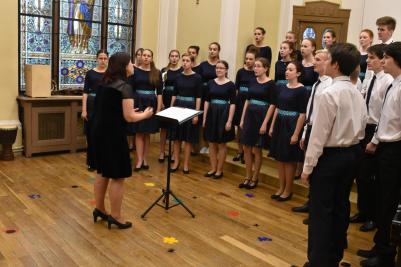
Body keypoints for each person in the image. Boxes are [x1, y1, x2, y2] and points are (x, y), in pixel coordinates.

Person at [301, 43, 367, 267]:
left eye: (328, 59)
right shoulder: (356, 92)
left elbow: (318, 136)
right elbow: (362, 125)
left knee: (321, 212)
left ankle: (318, 262)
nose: (325, 63)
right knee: (340, 208)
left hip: (330, 158)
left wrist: (308, 167)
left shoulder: (329, 94)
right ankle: (333, 258)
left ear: (336, 65)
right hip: (352, 154)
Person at [92, 52, 153, 229]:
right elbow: (130, 117)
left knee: (102, 172)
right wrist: (146, 114)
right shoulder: (125, 87)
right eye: (131, 63)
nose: (133, 65)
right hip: (113, 135)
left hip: (100, 133)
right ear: (124, 66)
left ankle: (100, 209)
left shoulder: (104, 83)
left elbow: (110, 109)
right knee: (118, 177)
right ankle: (116, 216)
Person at [359, 42, 401, 267]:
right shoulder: (395, 84)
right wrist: (375, 141)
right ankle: (379, 245)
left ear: (396, 60)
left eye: (386, 58)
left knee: (388, 201)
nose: (383, 62)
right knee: (382, 197)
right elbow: (386, 118)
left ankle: (385, 254)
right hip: (384, 145)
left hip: (394, 150)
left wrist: (382, 142)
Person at [350, 44, 393, 233]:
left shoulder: (387, 81)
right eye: (367, 57)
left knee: (372, 177)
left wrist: (375, 139)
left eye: (372, 57)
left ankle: (373, 216)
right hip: (364, 127)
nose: (367, 61)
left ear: (382, 60)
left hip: (377, 130)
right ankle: (363, 210)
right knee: (361, 175)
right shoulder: (370, 79)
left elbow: (385, 113)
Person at [292, 49, 332, 216]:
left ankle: (316, 209)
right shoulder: (317, 83)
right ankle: (310, 202)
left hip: (320, 131)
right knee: (312, 174)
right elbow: (311, 111)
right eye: (314, 59)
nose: (314, 62)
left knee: (317, 171)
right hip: (310, 129)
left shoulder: (329, 85)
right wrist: (304, 133)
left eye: (318, 59)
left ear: (327, 63)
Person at [269, 61, 308, 201]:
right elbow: (277, 108)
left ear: (298, 73)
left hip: (291, 124)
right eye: (286, 69)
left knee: (289, 160)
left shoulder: (302, 90)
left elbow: (303, 114)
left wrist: (296, 134)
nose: (287, 72)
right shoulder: (281, 87)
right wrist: (272, 126)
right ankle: (281, 187)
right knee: (279, 159)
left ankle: (288, 190)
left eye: (290, 69)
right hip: (280, 122)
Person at [238, 57, 276, 189]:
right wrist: (242, 119)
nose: (255, 68)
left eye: (259, 66)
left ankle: (255, 177)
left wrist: (265, 123)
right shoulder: (252, 81)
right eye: (255, 66)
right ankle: (247, 176)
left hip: (261, 117)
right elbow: (247, 101)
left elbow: (272, 105)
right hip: (249, 116)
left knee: (257, 149)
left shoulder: (271, 84)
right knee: (246, 148)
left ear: (266, 68)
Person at [128, 49, 162, 171]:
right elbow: (130, 90)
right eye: (144, 55)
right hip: (138, 102)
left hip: (150, 103)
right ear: (141, 57)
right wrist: (130, 106)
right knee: (139, 132)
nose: (146, 57)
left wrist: (158, 109)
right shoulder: (135, 71)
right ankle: (139, 160)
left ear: (152, 58)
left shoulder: (156, 73)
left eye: (149, 55)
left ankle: (145, 159)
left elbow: (159, 93)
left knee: (147, 133)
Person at [170, 53, 202, 173]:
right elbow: (174, 94)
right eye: (183, 60)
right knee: (177, 138)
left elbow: (199, 97)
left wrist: (196, 114)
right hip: (178, 106)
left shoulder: (197, 78)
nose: (184, 62)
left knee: (188, 139)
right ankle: (176, 162)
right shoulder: (178, 77)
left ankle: (186, 164)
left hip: (190, 107)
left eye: (187, 60)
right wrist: (171, 109)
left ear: (192, 63)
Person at [203, 60, 236, 179]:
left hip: (223, 114)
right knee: (211, 143)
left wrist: (230, 120)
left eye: (221, 68)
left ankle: (219, 170)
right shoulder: (210, 83)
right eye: (217, 68)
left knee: (222, 144)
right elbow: (207, 101)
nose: (219, 70)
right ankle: (213, 167)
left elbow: (233, 104)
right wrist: (205, 117)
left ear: (226, 70)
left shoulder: (231, 85)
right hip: (212, 113)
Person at [82, 49, 108, 171]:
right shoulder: (90, 73)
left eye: (105, 58)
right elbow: (85, 93)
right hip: (92, 105)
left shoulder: (110, 74)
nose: (103, 61)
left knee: (103, 134)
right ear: (96, 59)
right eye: (100, 58)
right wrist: (84, 110)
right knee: (91, 134)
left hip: (105, 105)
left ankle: (102, 160)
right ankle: (91, 161)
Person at [232, 49, 257, 163]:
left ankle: (248, 153)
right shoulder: (240, 72)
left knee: (248, 128)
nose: (248, 61)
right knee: (239, 127)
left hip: (251, 103)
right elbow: (236, 88)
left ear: (255, 60)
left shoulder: (257, 72)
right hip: (240, 101)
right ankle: (239, 151)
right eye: (246, 59)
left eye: (251, 59)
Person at [159, 50, 182, 162]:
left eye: (176, 56)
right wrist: (162, 102)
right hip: (166, 98)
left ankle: (174, 153)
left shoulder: (182, 71)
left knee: (175, 128)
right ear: (169, 57)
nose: (174, 58)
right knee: (164, 128)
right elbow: (161, 87)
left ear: (179, 58)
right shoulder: (164, 71)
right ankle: (162, 152)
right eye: (172, 56)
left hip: (177, 99)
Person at [199, 42, 220, 154]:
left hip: (216, 94)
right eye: (210, 49)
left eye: (214, 49)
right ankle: (204, 144)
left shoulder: (220, 65)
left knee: (214, 120)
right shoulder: (203, 65)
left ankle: (213, 145)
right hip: (204, 94)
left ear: (218, 51)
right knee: (204, 120)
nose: (212, 51)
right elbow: (199, 80)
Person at [127, 47, 144, 151]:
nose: (140, 57)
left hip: (139, 97)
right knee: (130, 120)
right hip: (131, 95)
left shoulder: (144, 70)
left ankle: (136, 144)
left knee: (137, 122)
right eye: (138, 54)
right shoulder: (131, 68)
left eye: (142, 55)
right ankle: (130, 144)